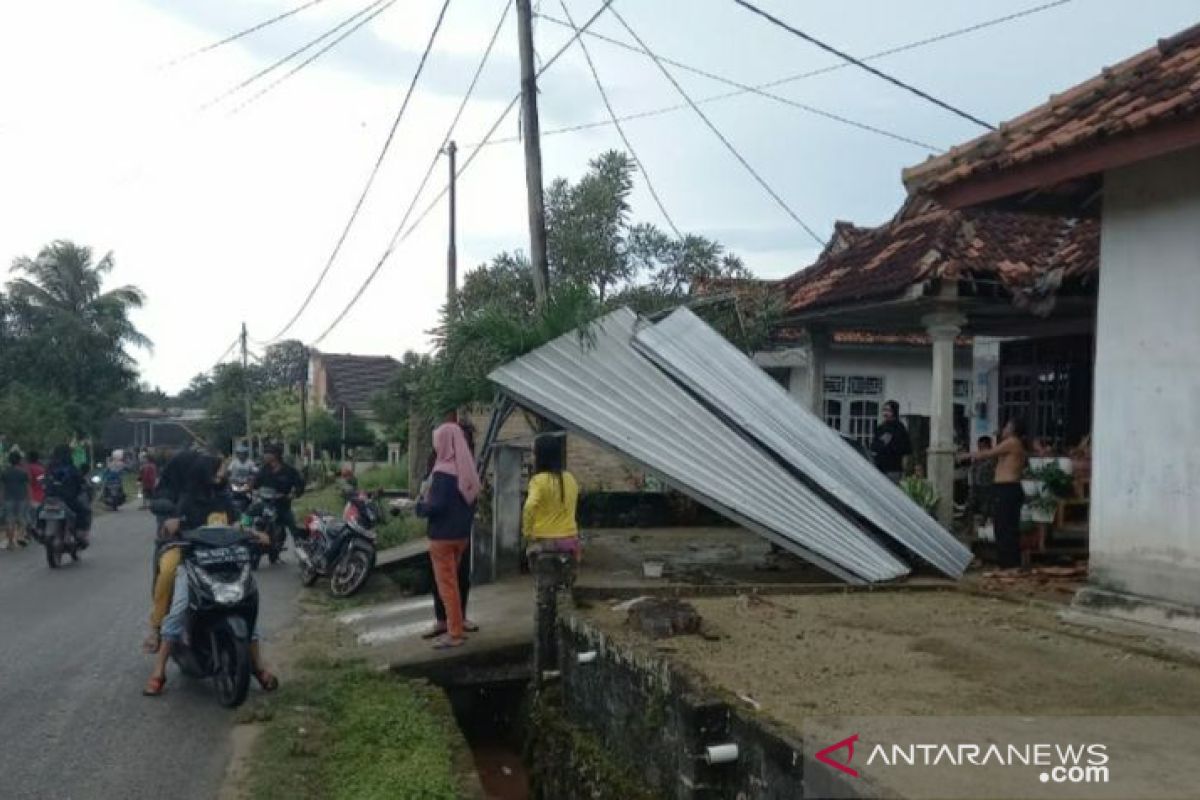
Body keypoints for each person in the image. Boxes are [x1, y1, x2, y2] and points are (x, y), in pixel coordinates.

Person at [144, 453, 278, 696]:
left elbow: (237, 524)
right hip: (193, 562)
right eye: (218, 470)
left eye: (222, 470)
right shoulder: (186, 500)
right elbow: (175, 523)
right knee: (178, 607)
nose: (222, 474)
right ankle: (159, 669)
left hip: (225, 562)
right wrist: (173, 524)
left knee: (248, 608)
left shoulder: (225, 499)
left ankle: (258, 666)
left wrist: (254, 533)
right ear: (204, 473)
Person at [415, 422, 480, 650]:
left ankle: (454, 633)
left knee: (447, 586)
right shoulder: (466, 468)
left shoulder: (443, 471)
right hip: (461, 536)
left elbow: (437, 506)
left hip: (442, 537)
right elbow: (472, 501)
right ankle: (453, 624)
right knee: (454, 583)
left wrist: (420, 508)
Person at [960, 418, 1028, 570]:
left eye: (1006, 426)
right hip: (1006, 489)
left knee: (1005, 528)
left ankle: (1010, 564)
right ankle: (1007, 563)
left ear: (1012, 429)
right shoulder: (1011, 443)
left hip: (1007, 488)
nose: (1003, 429)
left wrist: (967, 455)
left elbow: (989, 453)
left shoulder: (1012, 442)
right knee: (1003, 526)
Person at [523, 434, 581, 561]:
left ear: (541, 456)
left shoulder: (538, 480)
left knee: (528, 553)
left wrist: (527, 533)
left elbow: (530, 506)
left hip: (545, 541)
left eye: (533, 453)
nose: (531, 458)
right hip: (571, 541)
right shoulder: (570, 478)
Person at [251, 443, 305, 541]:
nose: (265, 455)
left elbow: (299, 485)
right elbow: (255, 483)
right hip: (265, 504)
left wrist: (292, 495)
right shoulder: (263, 469)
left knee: (293, 525)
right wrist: (250, 487)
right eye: (265, 453)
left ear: (275, 455)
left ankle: (299, 544)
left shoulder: (289, 471)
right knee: (250, 516)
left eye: (268, 453)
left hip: (282, 505)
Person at [44, 445, 92, 547]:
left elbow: (44, 480)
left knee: (40, 511)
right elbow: (80, 481)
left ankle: (40, 530)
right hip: (68, 499)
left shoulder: (49, 467)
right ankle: (80, 534)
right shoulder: (70, 468)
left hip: (49, 499)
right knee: (84, 511)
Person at [870, 401, 912, 482]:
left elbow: (906, 450)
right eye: (884, 410)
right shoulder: (880, 428)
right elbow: (874, 447)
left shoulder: (899, 428)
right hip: (879, 467)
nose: (885, 413)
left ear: (894, 412)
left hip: (894, 469)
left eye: (888, 410)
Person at [2, 451, 32, 549]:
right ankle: (20, 537)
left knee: (9, 520)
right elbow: (27, 486)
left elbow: (2, 487)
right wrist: (29, 498)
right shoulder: (23, 472)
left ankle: (10, 543)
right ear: (19, 460)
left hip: (8, 498)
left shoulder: (5, 472)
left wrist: (1, 498)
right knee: (21, 518)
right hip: (22, 498)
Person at [969, 435, 996, 527]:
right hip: (976, 485)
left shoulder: (993, 458)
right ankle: (971, 527)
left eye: (982, 446)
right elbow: (973, 470)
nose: (980, 448)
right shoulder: (977, 457)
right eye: (979, 446)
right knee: (971, 506)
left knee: (987, 508)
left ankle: (984, 526)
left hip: (987, 486)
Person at [24, 449, 45, 534]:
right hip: (39, 496)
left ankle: (27, 532)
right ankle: (35, 529)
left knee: (27, 516)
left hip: (26, 496)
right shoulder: (41, 469)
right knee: (37, 516)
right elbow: (42, 482)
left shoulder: (25, 468)